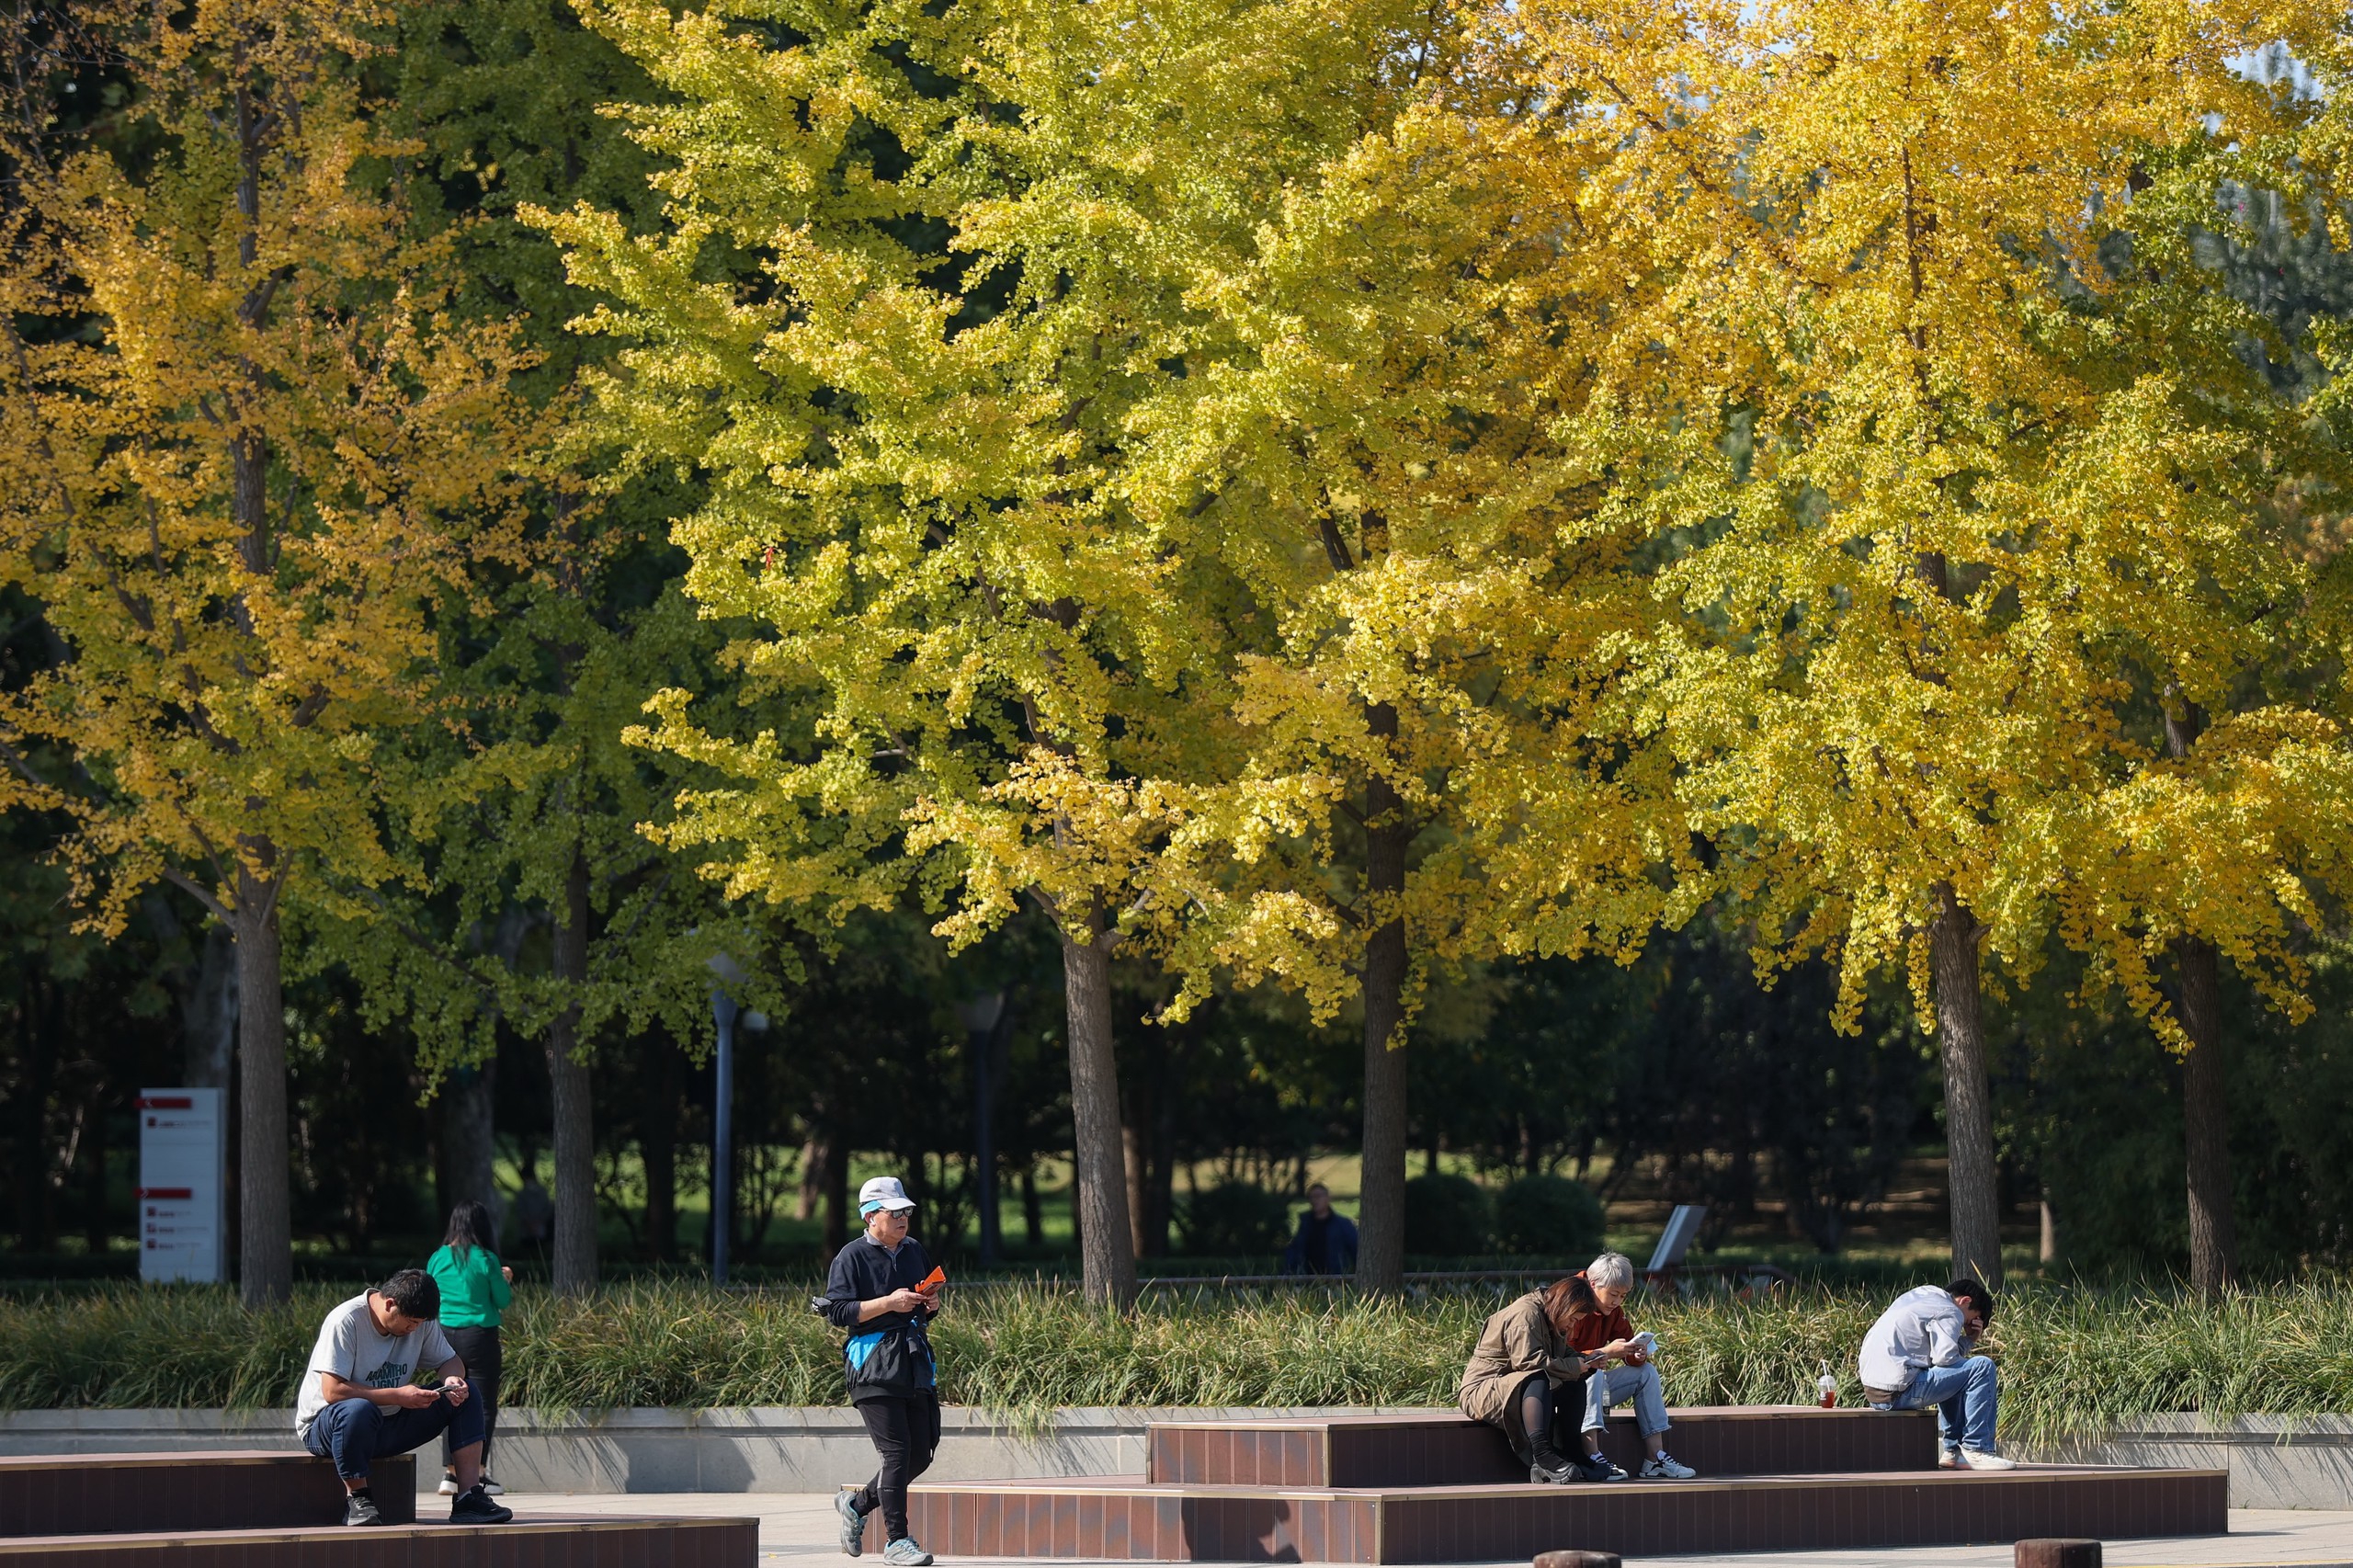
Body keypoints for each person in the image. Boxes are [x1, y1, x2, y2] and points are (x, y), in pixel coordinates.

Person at [295, 1267, 515, 1527]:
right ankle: (358, 1498)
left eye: (420, 1324)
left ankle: (469, 1497)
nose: (414, 1330)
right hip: (328, 1427)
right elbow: (333, 1391)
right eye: (410, 1322)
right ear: (390, 1304)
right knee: (357, 1409)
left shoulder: (420, 1320)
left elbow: (450, 1360)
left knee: (468, 1393)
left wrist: (451, 1379)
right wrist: (398, 1396)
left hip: (388, 1421)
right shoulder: (346, 1320)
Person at [826, 1176, 944, 1568]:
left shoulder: (913, 1250)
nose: (902, 1219)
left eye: (906, 1212)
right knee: (896, 1453)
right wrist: (888, 1303)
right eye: (894, 1213)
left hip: (913, 1361)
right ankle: (897, 1542)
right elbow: (839, 1311)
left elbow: (924, 1303)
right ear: (869, 1216)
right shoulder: (851, 1256)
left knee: (921, 1453)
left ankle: (856, 1506)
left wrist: (929, 1304)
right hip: (872, 1363)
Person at [1459, 1273, 1618, 1483]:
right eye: (1572, 1319)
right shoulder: (1525, 1315)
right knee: (1537, 1378)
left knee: (1575, 1382)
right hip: (1481, 1390)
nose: (1572, 1326)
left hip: (1512, 1385)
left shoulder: (1551, 1313)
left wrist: (1586, 1360)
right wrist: (1574, 1365)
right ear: (1564, 1306)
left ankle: (1573, 1453)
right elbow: (1528, 1362)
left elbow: (1560, 1353)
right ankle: (1543, 1457)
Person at [1858, 1277, 2014, 1470]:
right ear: (1965, 1301)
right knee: (1982, 1366)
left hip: (1876, 1393)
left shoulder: (1923, 1294)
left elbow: (1943, 1363)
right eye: (1972, 1319)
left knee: (1955, 1373)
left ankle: (1953, 1451)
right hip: (1900, 1392)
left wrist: (1966, 1338)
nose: (1965, 1325)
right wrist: (1971, 1339)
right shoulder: (1951, 1310)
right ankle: (1977, 1449)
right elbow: (1945, 1358)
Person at [1572, 1252, 1696, 1480]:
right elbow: (1561, 1358)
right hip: (1563, 1386)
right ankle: (1592, 1457)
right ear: (1592, 1284)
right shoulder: (1571, 1300)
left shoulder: (1612, 1310)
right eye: (1613, 1294)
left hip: (1594, 1387)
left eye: (1623, 1296)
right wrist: (1605, 1353)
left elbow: (1627, 1348)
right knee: (1593, 1372)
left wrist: (1636, 1353)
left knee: (1646, 1372)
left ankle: (1655, 1458)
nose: (1617, 1301)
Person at [427, 1200, 515, 1496]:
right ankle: (477, 1472)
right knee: (483, 1405)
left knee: (449, 1401)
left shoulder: (438, 1258)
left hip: (444, 1337)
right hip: (479, 1337)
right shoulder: (486, 1258)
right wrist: (505, 1280)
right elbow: (502, 1301)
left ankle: (449, 1474)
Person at [1280, 1184, 1359, 1276]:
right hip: (1307, 1278)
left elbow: (1356, 1249)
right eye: (1312, 1197)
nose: (1315, 1200)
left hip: (1334, 1277)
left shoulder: (1342, 1224)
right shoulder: (1305, 1224)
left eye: (1318, 1196)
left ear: (1327, 1198)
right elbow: (1295, 1250)